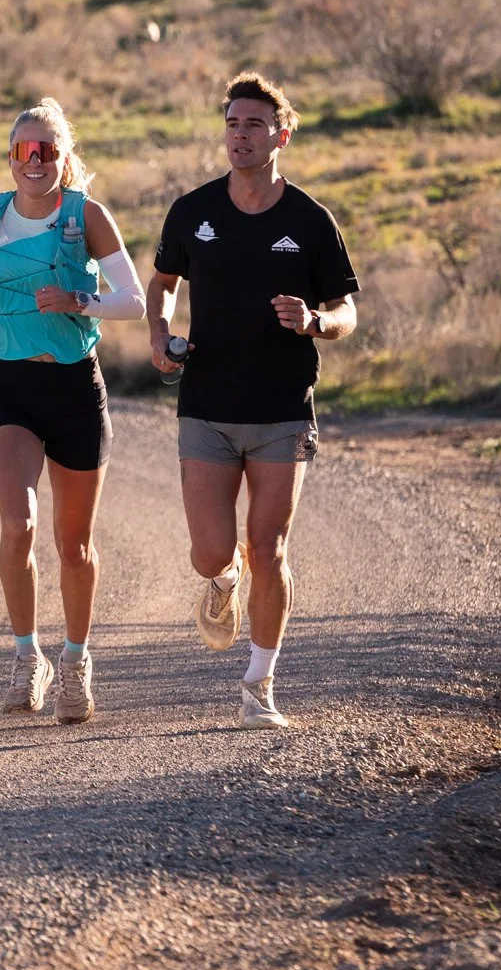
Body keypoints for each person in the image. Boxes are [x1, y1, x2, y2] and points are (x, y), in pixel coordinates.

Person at [147, 71, 359, 729]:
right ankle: (221, 580)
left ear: (281, 133)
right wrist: (159, 335)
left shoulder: (309, 219)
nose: (240, 135)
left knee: (267, 547)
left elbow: (345, 309)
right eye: (232, 123)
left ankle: (258, 686)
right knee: (213, 552)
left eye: (254, 124)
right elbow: (159, 284)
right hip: (205, 405)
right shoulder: (192, 211)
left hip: (282, 409)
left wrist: (316, 323)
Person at [0, 98, 145, 723]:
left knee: (73, 543)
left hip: (76, 391)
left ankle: (76, 660)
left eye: (46, 151)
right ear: (10, 157)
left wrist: (79, 299)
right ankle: (29, 658)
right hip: (10, 390)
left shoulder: (88, 217)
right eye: (23, 151)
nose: (34, 161)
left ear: (63, 158)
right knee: (18, 525)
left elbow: (132, 301)